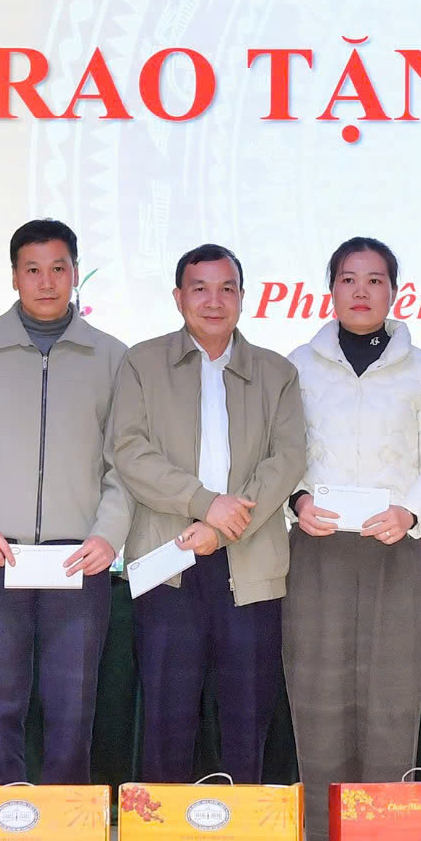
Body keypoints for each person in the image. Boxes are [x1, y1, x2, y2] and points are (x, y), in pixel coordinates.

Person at [0, 218, 131, 785]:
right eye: (33, 269)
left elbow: (126, 461)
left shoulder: (112, 356)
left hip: (79, 558)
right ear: (14, 276)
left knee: (73, 706)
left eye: (58, 268)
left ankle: (67, 828)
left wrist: (108, 535)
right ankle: (1, 819)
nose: (46, 281)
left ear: (76, 273)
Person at [286, 236, 421, 841]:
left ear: (394, 290)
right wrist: (298, 500)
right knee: (318, 695)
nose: (361, 291)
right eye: (348, 279)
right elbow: (279, 455)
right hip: (319, 546)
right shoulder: (298, 366)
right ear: (330, 289)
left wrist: (411, 512)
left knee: (392, 696)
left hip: (395, 546)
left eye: (375, 280)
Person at [107, 245, 307, 783]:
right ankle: (164, 836)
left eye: (227, 289)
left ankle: (243, 836)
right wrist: (204, 503)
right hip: (167, 561)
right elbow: (128, 450)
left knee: (247, 718)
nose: (214, 301)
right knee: (167, 721)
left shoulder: (277, 372)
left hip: (251, 560)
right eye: (200, 289)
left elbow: (288, 459)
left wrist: (222, 526)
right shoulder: (143, 363)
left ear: (243, 297)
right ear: (179, 298)